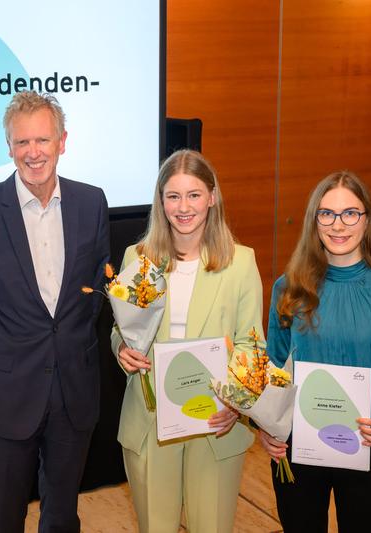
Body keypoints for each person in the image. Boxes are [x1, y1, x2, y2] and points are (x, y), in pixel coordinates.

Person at [0, 91, 110, 532]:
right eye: (22, 143)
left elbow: (94, 289)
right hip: (7, 393)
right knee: (6, 516)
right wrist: (2, 357)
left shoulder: (92, 202)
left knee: (62, 514)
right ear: (8, 147)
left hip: (73, 391)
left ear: (63, 141)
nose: (33, 152)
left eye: (43, 140)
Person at [258, 170, 371, 532]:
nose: (338, 225)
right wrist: (267, 425)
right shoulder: (287, 288)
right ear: (314, 221)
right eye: (327, 214)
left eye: (350, 213)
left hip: (369, 442)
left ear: (367, 221)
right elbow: (274, 365)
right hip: (298, 447)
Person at [113, 149, 262, 532]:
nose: (183, 207)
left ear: (212, 197)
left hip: (216, 420)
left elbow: (251, 346)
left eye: (194, 194)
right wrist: (122, 351)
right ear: (160, 201)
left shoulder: (241, 263)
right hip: (151, 420)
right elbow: (122, 330)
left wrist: (237, 404)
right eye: (173, 196)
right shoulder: (139, 257)